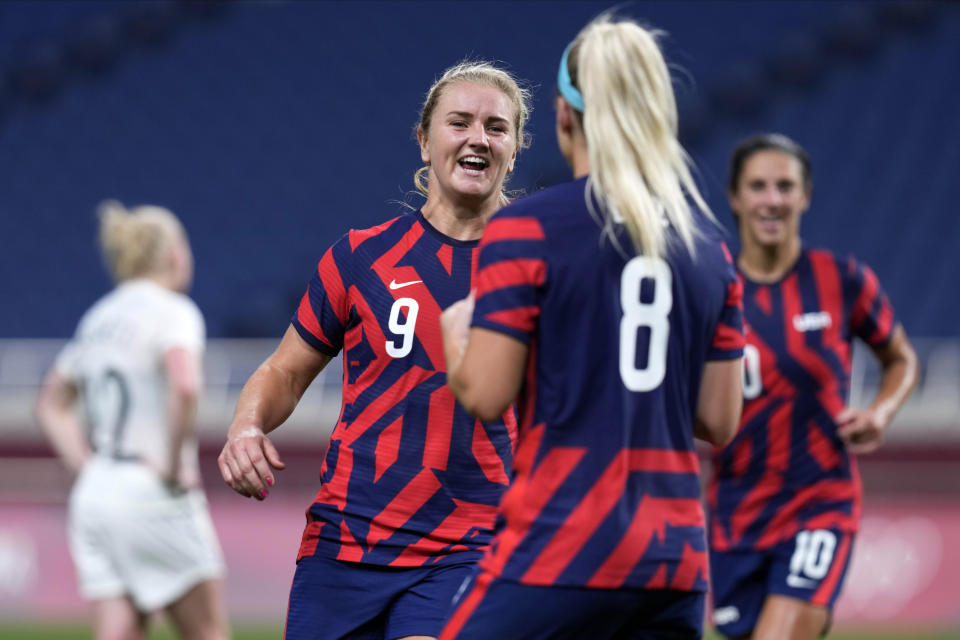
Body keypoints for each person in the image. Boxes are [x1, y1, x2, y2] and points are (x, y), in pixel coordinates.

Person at [437, 15, 746, 640]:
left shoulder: (527, 230)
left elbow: (485, 395)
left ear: (563, 114)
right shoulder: (709, 249)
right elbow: (720, 421)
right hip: (674, 561)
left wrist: (455, 333)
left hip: (561, 542)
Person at [217, 61, 531, 640]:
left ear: (515, 149)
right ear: (424, 141)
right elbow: (284, 370)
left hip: (473, 542)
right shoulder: (361, 258)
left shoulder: (540, 267)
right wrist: (245, 426)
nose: (478, 139)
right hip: (346, 538)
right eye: (459, 122)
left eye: (497, 127)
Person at [707, 133, 919, 640]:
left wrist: (880, 413)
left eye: (785, 186)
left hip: (819, 502)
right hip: (735, 514)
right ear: (736, 197)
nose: (772, 199)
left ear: (806, 196)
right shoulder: (711, 286)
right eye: (759, 186)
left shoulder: (841, 280)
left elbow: (901, 358)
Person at [35, 201, 229, 640]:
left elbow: (51, 402)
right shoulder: (172, 311)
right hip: (150, 489)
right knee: (207, 632)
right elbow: (184, 384)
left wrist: (86, 464)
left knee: (118, 630)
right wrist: (173, 461)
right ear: (175, 255)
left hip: (97, 491)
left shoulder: (100, 317)